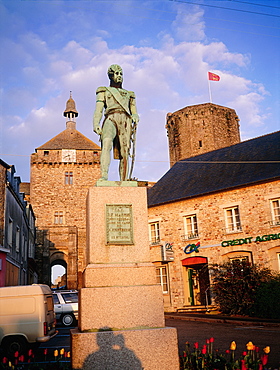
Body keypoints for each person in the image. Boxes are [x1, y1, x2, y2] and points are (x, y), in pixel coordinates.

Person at [93, 64, 139, 181]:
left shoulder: (130, 94)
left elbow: (134, 110)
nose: (119, 76)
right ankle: (104, 175)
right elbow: (98, 109)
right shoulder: (103, 91)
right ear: (111, 76)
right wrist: (96, 123)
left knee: (125, 152)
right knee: (106, 144)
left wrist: (135, 116)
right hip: (110, 117)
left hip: (125, 120)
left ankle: (123, 180)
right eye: (117, 74)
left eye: (121, 74)